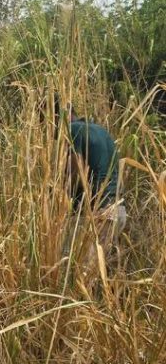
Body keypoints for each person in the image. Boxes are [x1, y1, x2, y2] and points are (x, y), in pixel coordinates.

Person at [61, 104, 126, 270]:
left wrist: (59, 194)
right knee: (97, 274)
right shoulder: (102, 131)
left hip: (94, 213)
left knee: (77, 272)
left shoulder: (72, 129)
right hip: (117, 210)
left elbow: (76, 172)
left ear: (56, 118)